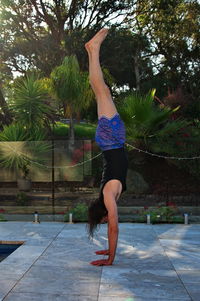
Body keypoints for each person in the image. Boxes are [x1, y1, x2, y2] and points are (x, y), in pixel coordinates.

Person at [85, 28, 128, 266]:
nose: (105, 222)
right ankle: (92, 51)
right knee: (103, 91)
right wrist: (107, 252)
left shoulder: (108, 195)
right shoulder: (108, 194)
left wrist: (110, 258)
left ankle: (94, 50)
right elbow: (111, 224)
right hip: (112, 141)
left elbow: (114, 226)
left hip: (111, 140)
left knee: (101, 91)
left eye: (101, 220)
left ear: (102, 211)